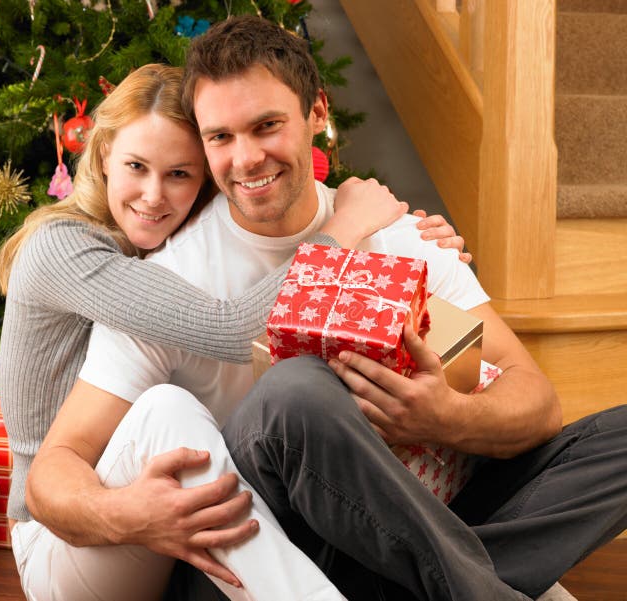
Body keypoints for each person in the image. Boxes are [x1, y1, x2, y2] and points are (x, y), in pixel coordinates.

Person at [31, 14, 627, 601]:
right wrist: (130, 515)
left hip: (406, 531)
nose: (245, 159)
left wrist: (445, 416)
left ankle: (435, 580)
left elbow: (537, 402)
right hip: (270, 555)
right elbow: (58, 467)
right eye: (220, 137)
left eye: (266, 126)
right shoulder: (172, 282)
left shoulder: (399, 235)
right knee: (298, 390)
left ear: (316, 112)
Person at [0, 63, 466, 600]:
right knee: (165, 408)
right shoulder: (65, 247)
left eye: (179, 175)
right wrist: (346, 227)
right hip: (66, 535)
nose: (154, 195)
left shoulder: (167, 244)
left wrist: (414, 237)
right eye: (136, 166)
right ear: (103, 155)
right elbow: (231, 328)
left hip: (162, 525)